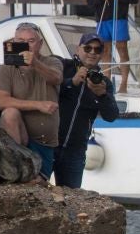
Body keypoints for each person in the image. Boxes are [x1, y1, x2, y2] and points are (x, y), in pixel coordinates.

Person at [0, 22, 64, 175]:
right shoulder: (5, 68)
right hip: (19, 137)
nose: (26, 45)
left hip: (44, 141)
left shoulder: (52, 62)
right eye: (20, 42)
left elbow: (56, 78)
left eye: (31, 41)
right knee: (9, 113)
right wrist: (38, 105)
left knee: (41, 183)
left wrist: (35, 63)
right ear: (13, 42)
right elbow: (1, 101)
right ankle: (17, 169)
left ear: (40, 44)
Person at [51, 34, 120, 189]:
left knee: (72, 197)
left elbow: (111, 116)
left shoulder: (103, 82)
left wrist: (102, 95)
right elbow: (48, 89)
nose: (92, 52)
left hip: (75, 150)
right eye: (88, 48)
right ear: (78, 49)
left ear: (102, 54)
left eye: (97, 49)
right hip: (50, 143)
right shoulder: (62, 66)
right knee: (39, 193)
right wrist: (72, 82)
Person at [83, 0, 138, 90]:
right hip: (103, 20)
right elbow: (89, 2)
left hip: (119, 18)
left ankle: (124, 83)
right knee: (105, 51)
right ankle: (106, 82)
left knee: (122, 49)